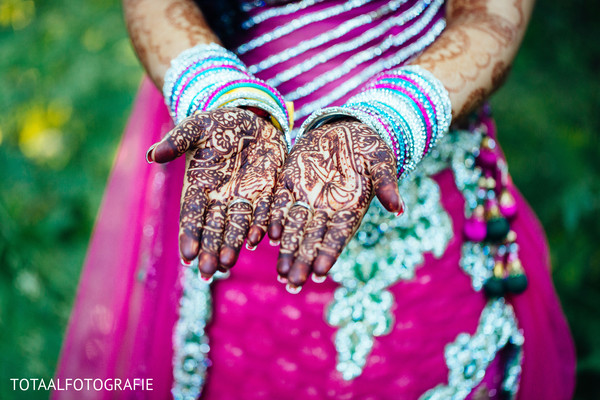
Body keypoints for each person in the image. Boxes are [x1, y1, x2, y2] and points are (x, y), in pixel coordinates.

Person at [54, 0, 576, 399]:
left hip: (430, 220)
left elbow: (492, 13)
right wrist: (221, 97)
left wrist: (391, 120)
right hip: (242, 202)